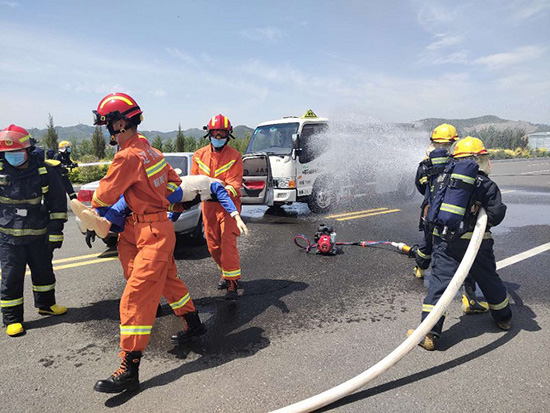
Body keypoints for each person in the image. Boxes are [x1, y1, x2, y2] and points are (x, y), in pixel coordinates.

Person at [89, 93, 206, 393]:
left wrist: (97, 215)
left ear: (120, 124)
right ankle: (194, 324)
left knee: (135, 297)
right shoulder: (152, 153)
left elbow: (103, 195)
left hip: (148, 231)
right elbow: (175, 190)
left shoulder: (127, 156)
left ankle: (130, 366)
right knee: (169, 282)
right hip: (148, 230)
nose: (109, 132)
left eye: (109, 126)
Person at [409, 136, 511, 351]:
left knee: (439, 284)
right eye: (483, 157)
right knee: (489, 279)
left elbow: (429, 202)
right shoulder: (485, 183)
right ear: (476, 158)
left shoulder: (442, 177)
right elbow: (496, 213)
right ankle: (503, 317)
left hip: (445, 242)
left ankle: (429, 332)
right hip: (477, 244)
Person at [412, 124, 489, 315]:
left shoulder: (425, 164)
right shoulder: (456, 164)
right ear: (454, 142)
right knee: (467, 257)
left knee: (427, 246)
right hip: (455, 221)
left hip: (431, 214)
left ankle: (420, 269)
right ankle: (469, 298)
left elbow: (421, 187)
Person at [0, 125, 68, 337]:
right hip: (9, 237)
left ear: (28, 150)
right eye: (8, 153)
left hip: (39, 234)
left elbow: (57, 202)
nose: (13, 156)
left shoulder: (44, 170)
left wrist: (56, 232)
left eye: (17, 152)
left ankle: (47, 305)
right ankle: (12, 319)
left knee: (44, 272)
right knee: (11, 277)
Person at [192, 114, 244, 300]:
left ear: (228, 135)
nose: (219, 137)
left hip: (228, 207)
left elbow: (234, 183)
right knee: (213, 246)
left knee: (227, 243)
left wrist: (221, 193)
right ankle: (226, 272)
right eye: (216, 134)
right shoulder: (199, 156)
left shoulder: (235, 156)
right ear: (209, 134)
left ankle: (232, 283)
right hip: (209, 207)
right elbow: (194, 180)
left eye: (222, 134)